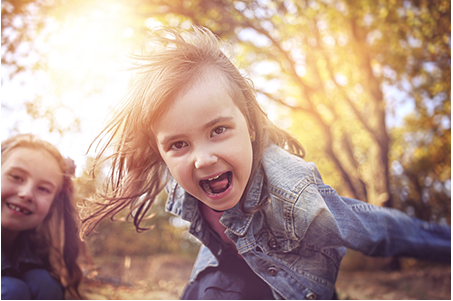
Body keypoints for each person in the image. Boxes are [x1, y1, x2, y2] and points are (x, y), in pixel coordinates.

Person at [80, 26, 451, 300]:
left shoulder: (294, 196)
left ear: (251, 126)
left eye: (219, 130)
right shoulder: (180, 174)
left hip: (291, 288)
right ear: (161, 151)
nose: (203, 159)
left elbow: (376, 229)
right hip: (224, 277)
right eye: (178, 144)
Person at [2, 134, 83, 299]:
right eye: (16, 177)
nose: (26, 194)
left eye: (44, 189)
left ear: (53, 206)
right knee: (13, 290)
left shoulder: (38, 248)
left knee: (44, 283)